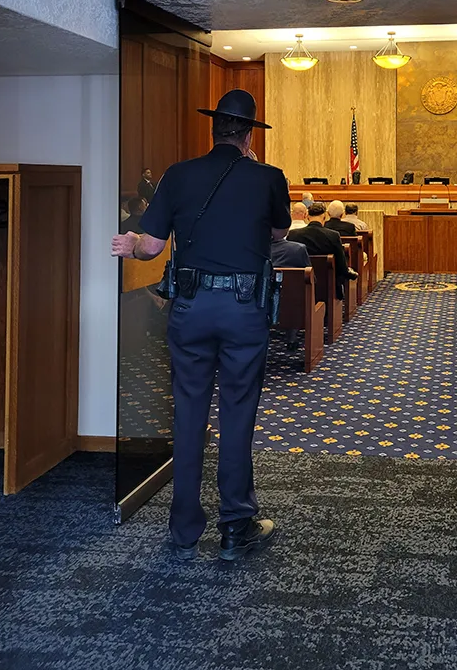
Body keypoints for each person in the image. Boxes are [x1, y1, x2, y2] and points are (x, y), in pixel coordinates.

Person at [111, 89, 290, 563]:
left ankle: (184, 530)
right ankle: (235, 526)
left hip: (190, 307)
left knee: (188, 415)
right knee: (237, 412)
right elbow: (279, 233)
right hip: (243, 309)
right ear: (249, 135)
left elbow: (150, 247)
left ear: (214, 130)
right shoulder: (268, 177)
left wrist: (131, 245)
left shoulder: (178, 174)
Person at [295, 202, 357, 298]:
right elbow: (341, 265)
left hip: (302, 286)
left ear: (307, 216)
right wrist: (350, 274)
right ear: (324, 216)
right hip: (329, 286)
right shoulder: (333, 235)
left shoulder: (294, 235)